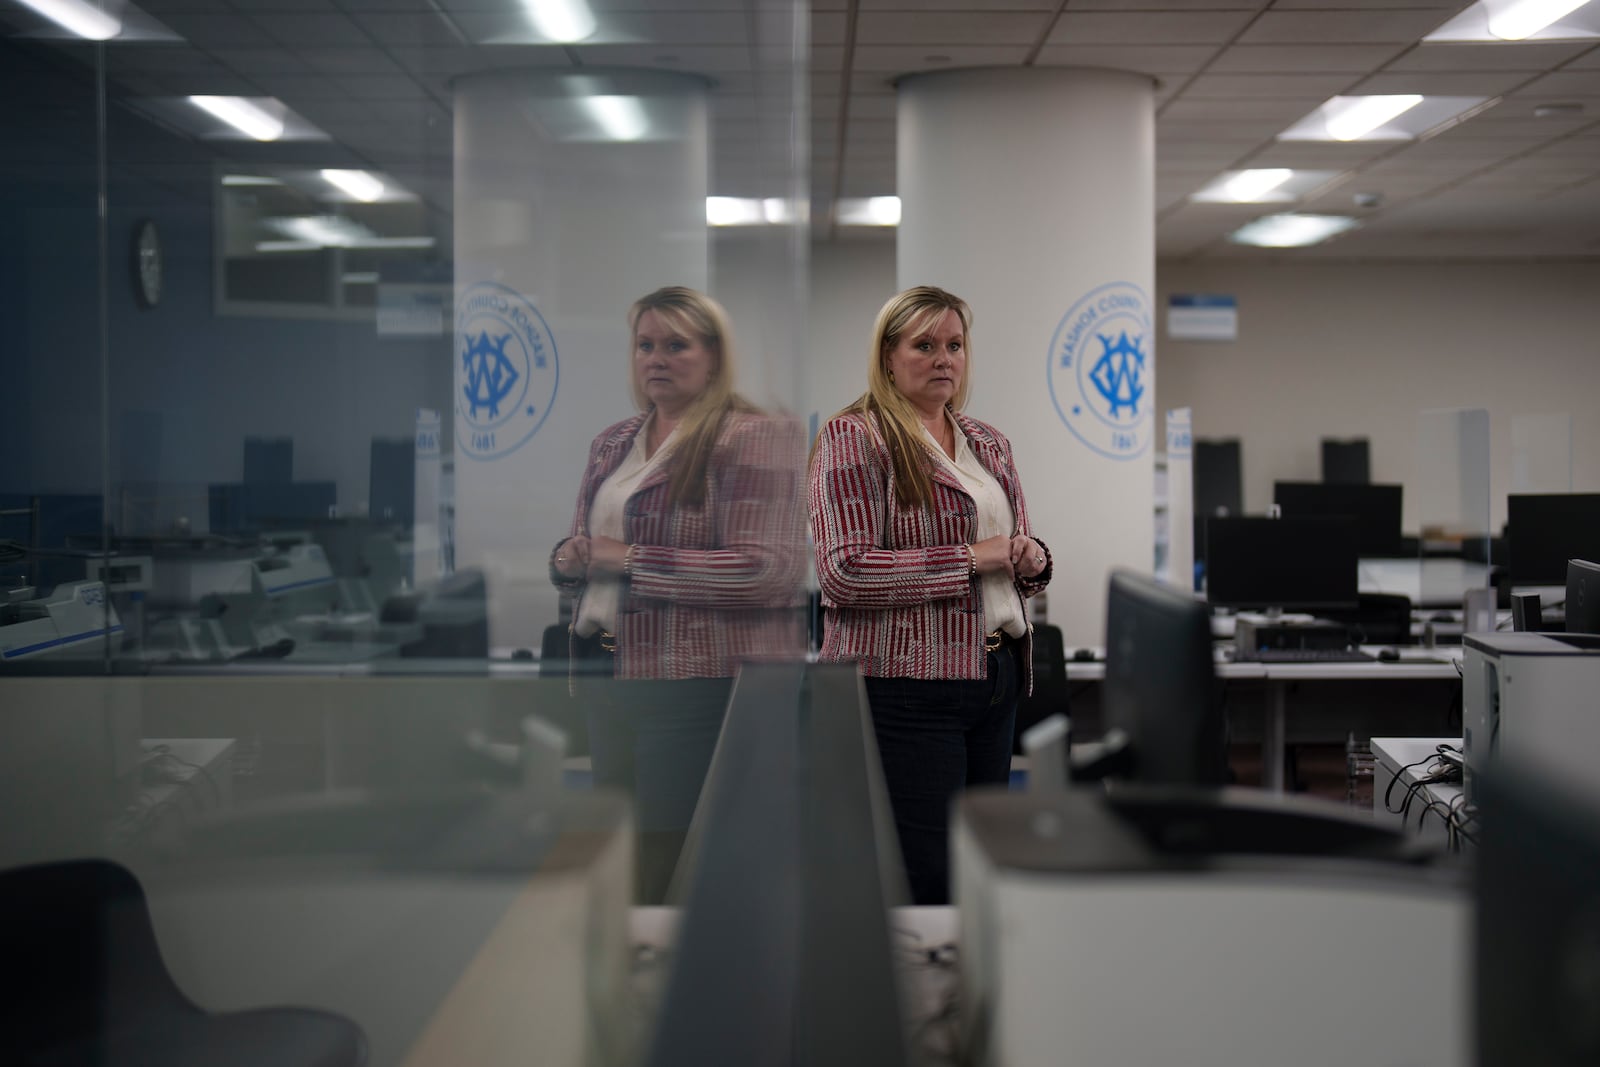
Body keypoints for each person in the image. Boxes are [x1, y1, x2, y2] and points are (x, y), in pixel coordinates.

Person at [549, 286, 801, 903]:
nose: (656, 359)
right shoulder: (614, 442)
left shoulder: (752, 437)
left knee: (671, 859)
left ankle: (678, 984)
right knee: (620, 854)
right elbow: (589, 547)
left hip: (692, 682)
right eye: (645, 345)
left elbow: (767, 571)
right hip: (605, 668)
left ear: (713, 356)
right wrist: (567, 560)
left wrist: (630, 560)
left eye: (675, 345)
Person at [808, 285, 1052, 906]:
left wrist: (1033, 559)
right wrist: (972, 558)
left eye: (954, 345)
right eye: (924, 345)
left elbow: (1013, 552)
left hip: (996, 674)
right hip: (906, 687)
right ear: (888, 356)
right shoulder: (853, 438)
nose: (944, 358)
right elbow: (844, 573)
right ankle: (923, 1000)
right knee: (927, 875)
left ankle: (975, 994)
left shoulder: (988, 443)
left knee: (980, 868)